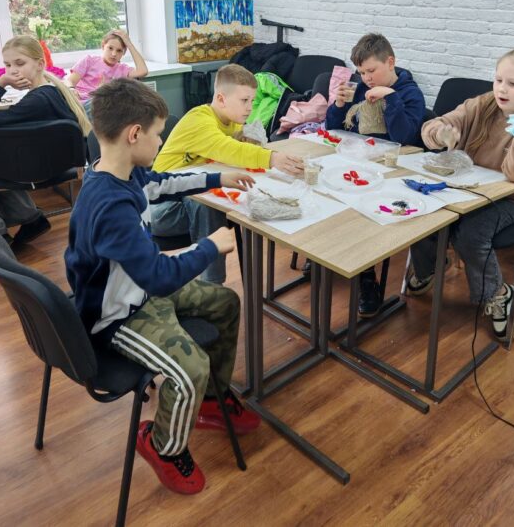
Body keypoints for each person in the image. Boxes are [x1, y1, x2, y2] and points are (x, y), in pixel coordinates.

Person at [65, 78, 260, 495]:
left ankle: (210, 400)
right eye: (158, 134)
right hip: (116, 317)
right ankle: (163, 446)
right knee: (191, 368)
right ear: (134, 134)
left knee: (225, 303)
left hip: (138, 291)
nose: (161, 141)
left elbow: (163, 183)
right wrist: (209, 246)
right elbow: (158, 276)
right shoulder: (110, 207)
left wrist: (218, 176)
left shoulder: (123, 173)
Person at [407, 47, 514, 340]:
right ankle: (429, 268)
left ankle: (498, 294)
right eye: (498, 80)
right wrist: (441, 132)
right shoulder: (482, 104)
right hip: (462, 191)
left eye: (513, 83)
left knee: (471, 235)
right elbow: (435, 125)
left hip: (506, 200)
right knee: (421, 213)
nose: (502, 89)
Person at [151, 63, 304, 284]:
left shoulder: (231, 121)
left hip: (185, 194)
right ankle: (213, 284)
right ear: (221, 99)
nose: (250, 108)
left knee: (231, 194)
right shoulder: (199, 120)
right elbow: (228, 149)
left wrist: (247, 140)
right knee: (207, 202)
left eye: (252, 101)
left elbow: (232, 148)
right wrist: (271, 158)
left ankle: (235, 282)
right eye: (244, 100)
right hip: (160, 208)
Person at [325, 33, 426, 317]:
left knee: (359, 209)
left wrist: (390, 98)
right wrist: (339, 106)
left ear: (390, 62)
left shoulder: (410, 94)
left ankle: (366, 279)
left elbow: (404, 137)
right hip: (362, 163)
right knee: (329, 189)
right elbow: (334, 129)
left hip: (396, 169)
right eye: (361, 72)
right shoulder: (360, 88)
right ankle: (324, 254)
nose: (366, 78)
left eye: (371, 71)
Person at [0, 35, 91, 245]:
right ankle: (29, 218)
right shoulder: (54, 93)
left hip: (35, 170)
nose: (12, 71)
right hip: (56, 166)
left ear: (40, 64)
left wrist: (0, 84)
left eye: (20, 63)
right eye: (8, 65)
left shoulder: (35, 102)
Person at [66, 29, 148, 110]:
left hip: (104, 106)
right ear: (103, 46)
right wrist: (71, 89)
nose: (114, 54)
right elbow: (70, 81)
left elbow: (143, 71)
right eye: (110, 48)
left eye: (119, 50)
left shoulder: (122, 69)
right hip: (82, 104)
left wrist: (129, 43)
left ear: (123, 52)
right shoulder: (89, 60)